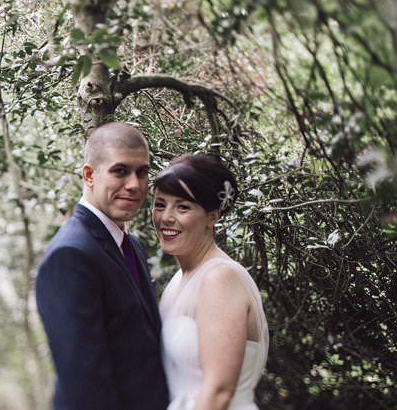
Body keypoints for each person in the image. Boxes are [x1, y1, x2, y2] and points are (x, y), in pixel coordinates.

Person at [35, 122, 169, 410]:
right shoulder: (70, 256)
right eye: (120, 171)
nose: (134, 184)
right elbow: (84, 381)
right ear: (89, 175)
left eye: (142, 172)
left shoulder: (130, 245)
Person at [152, 154, 269, 410]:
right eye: (160, 204)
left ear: (213, 216)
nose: (166, 217)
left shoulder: (220, 279)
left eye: (183, 207)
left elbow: (218, 392)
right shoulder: (178, 281)